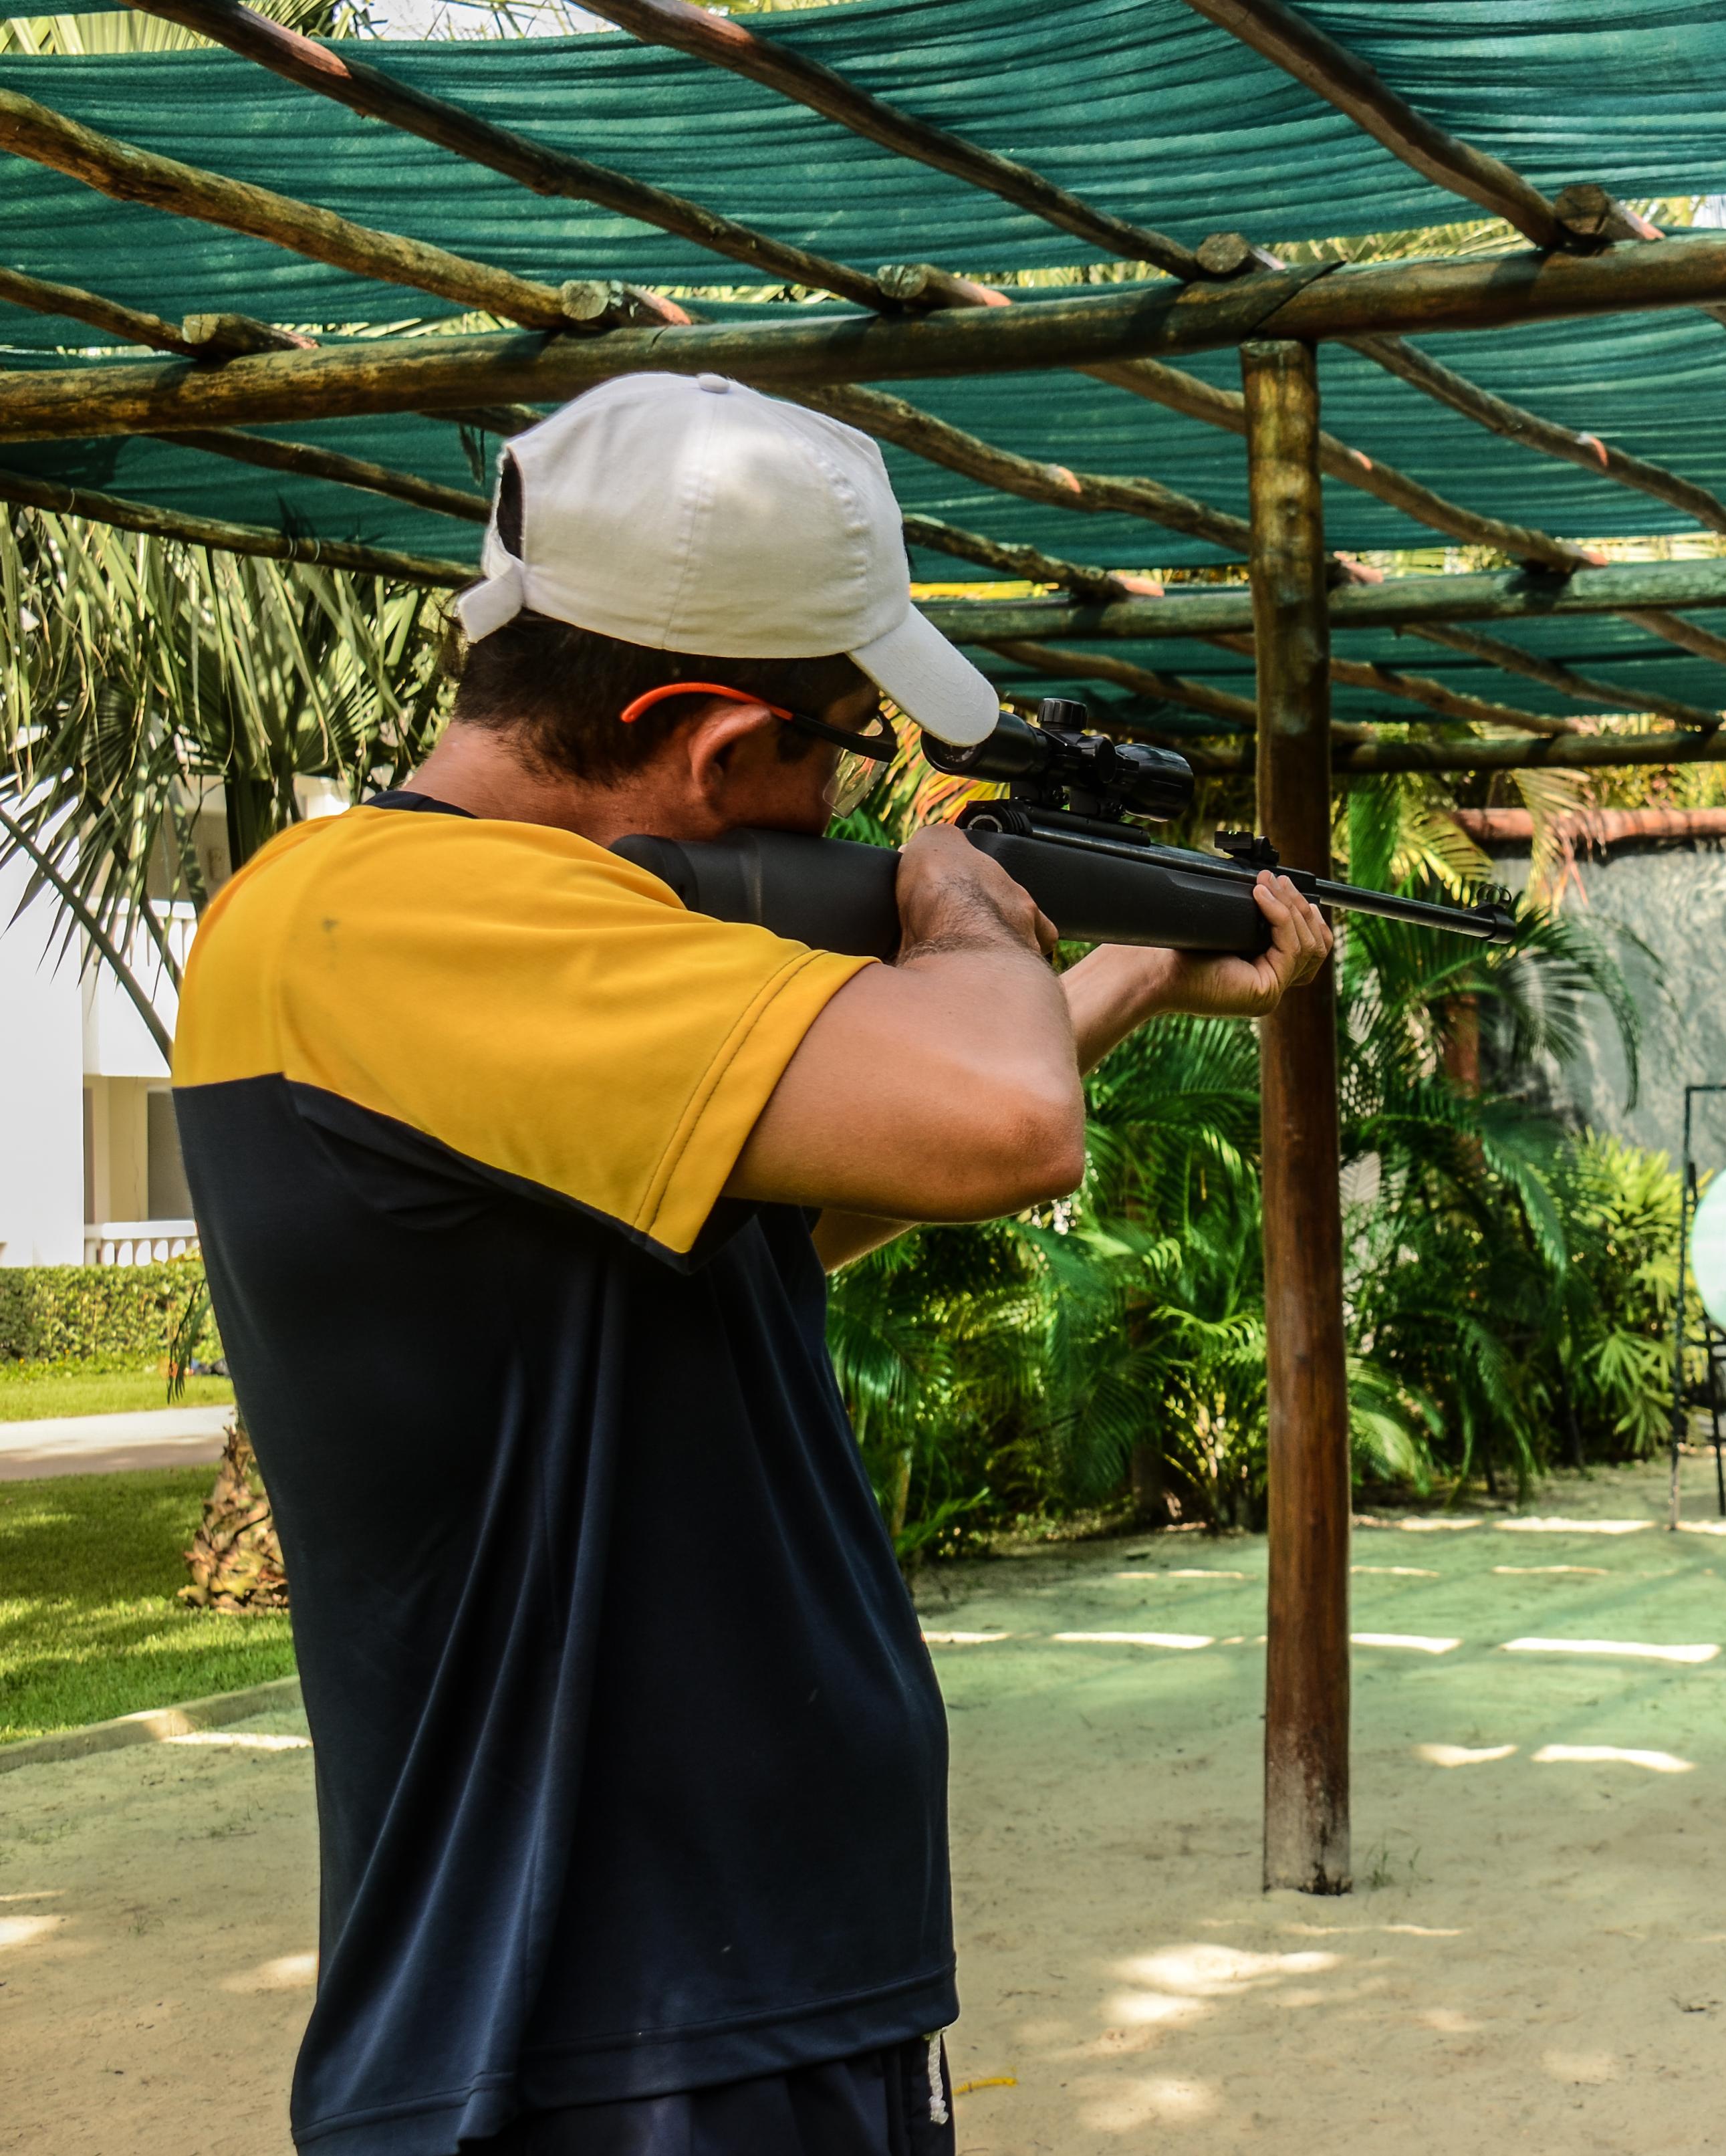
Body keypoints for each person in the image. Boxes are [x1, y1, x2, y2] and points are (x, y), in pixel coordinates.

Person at [170, 372, 1330, 2156]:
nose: (863, 802)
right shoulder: (398, 920)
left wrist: (1129, 975)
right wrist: (955, 912)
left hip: (725, 1991)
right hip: (598, 2024)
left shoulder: (456, 944)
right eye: (848, 746)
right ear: (711, 747)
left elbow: (781, 1219)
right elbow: (1004, 1127)